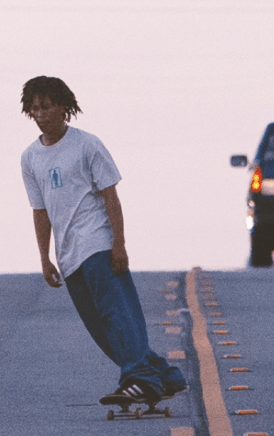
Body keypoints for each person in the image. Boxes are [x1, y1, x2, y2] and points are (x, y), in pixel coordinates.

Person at [18, 76, 187, 403]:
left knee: (117, 315)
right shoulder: (30, 158)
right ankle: (165, 377)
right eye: (34, 108)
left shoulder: (87, 145)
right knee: (100, 327)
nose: (40, 114)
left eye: (46, 107)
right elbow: (40, 211)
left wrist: (119, 244)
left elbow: (111, 197)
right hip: (68, 255)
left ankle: (139, 380)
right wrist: (44, 258)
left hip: (97, 244)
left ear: (63, 107)